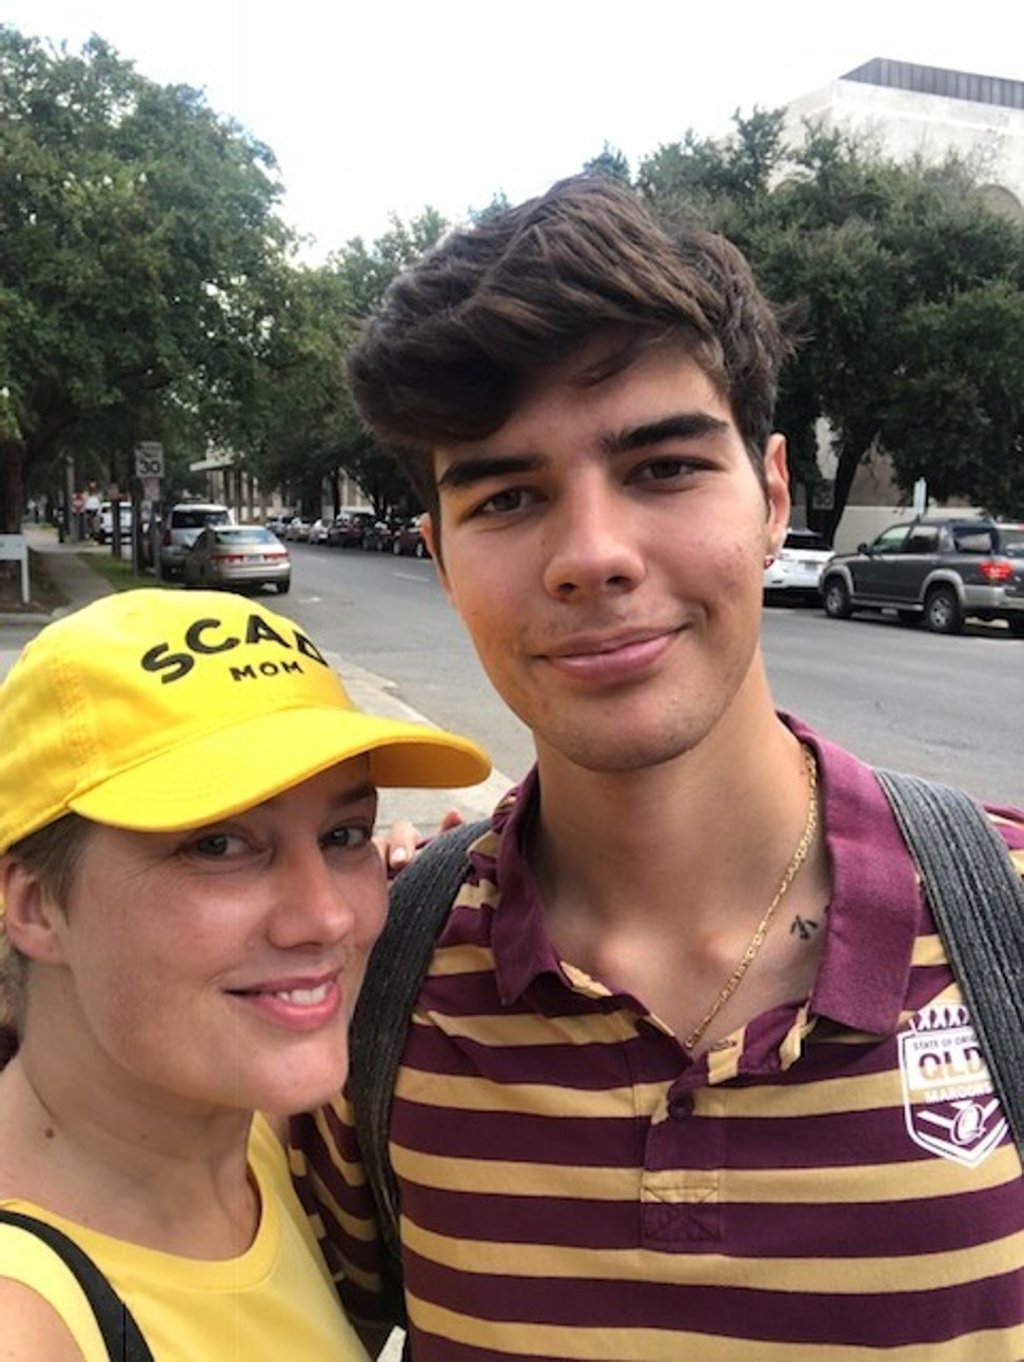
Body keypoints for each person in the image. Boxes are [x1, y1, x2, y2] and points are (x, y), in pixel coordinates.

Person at [290, 175, 1024, 1360]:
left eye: (664, 468)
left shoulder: (1007, 926)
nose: (591, 555)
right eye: (510, 497)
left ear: (773, 493)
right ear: (436, 556)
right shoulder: (374, 996)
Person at [0, 587, 489, 1361]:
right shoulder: (26, 1322)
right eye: (218, 846)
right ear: (33, 905)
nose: (326, 917)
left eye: (342, 833)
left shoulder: (248, 1141)